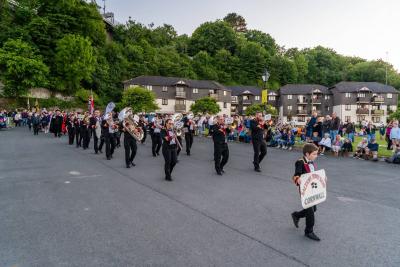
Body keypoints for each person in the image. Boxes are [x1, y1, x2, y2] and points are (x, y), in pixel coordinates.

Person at [291, 143, 321, 241]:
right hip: (305, 190)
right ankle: (309, 231)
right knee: (310, 212)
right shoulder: (300, 162)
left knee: (313, 209)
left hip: (312, 189)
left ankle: (296, 215)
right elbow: (296, 174)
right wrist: (298, 178)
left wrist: (322, 178)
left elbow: (313, 174)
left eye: (316, 154)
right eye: (314, 154)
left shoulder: (311, 162)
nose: (316, 156)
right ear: (307, 154)